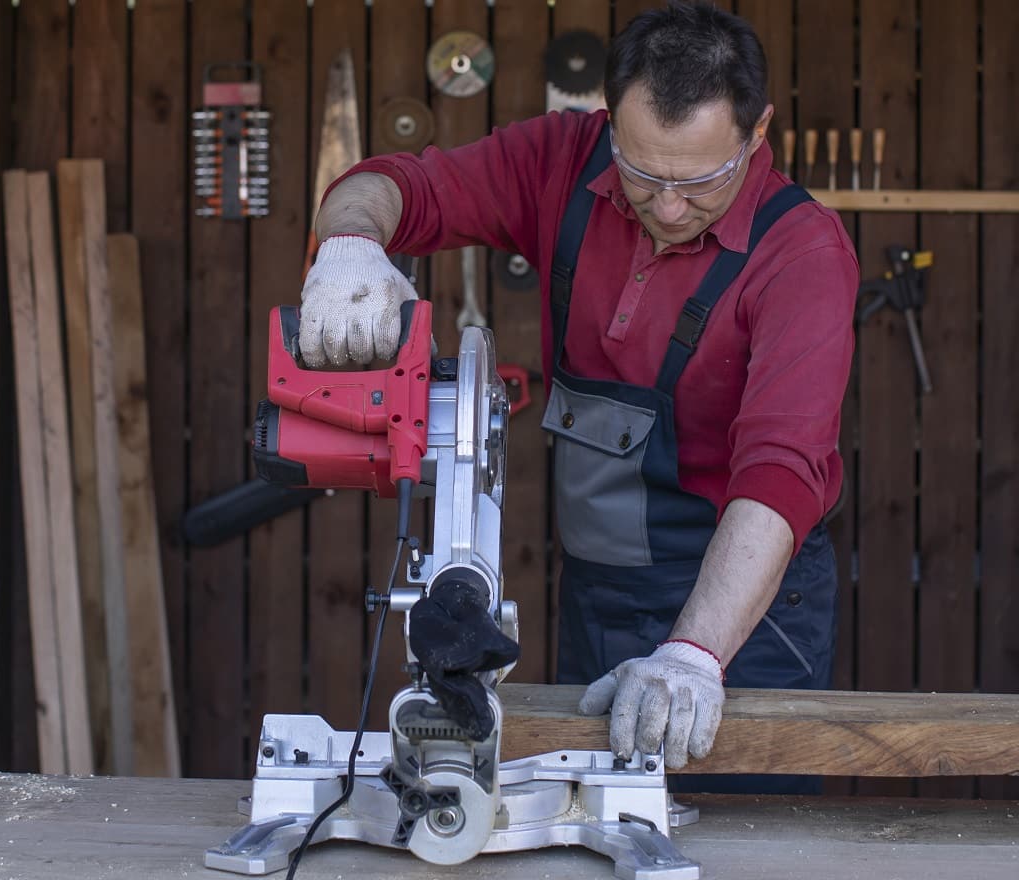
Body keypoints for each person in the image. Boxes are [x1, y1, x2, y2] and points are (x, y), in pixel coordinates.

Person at [298, 1, 857, 792]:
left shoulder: (802, 254)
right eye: (642, 172)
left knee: (740, 846)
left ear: (757, 132)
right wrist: (351, 241)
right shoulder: (561, 163)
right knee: (589, 829)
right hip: (597, 594)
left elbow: (781, 473)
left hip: (747, 617)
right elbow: (400, 188)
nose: (666, 206)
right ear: (608, 123)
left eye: (699, 181)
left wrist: (693, 655)